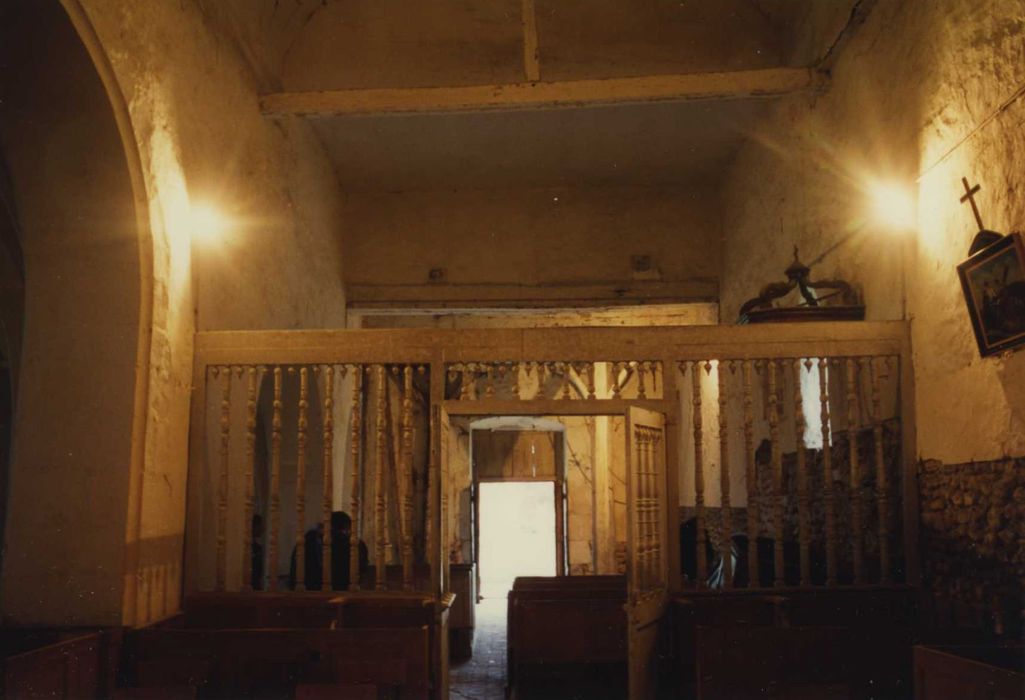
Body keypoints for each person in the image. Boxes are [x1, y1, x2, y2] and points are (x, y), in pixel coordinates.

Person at [289, 511, 368, 591]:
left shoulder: (307, 540)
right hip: (339, 591)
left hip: (304, 592)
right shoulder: (353, 544)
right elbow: (360, 572)